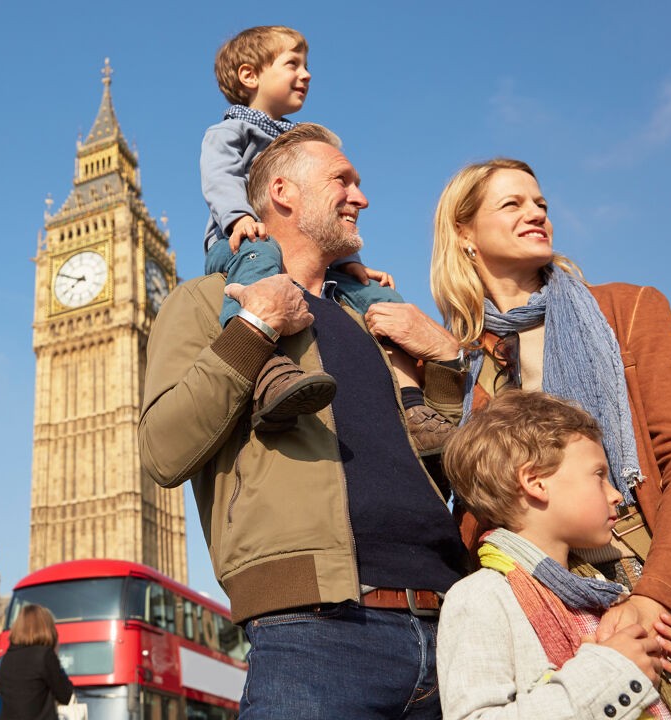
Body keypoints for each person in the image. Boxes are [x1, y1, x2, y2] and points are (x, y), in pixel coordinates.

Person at [367, 157, 671, 715]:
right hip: (541, 608)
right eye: (512, 204)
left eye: (539, 203)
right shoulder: (456, 358)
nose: (536, 213)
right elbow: (440, 496)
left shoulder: (628, 310)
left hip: (667, 580)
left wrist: (659, 600)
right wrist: (440, 361)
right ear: (464, 233)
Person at [141, 122, 468, 719]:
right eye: (342, 180)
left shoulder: (376, 321)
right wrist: (256, 329)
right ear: (284, 194)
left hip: (451, 629)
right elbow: (163, 450)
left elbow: (440, 468)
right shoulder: (207, 302)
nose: (361, 197)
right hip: (317, 633)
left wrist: (446, 364)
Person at [201, 26, 450, 449]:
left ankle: (413, 405)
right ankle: (267, 370)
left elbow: (312, 223)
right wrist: (238, 217)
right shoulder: (231, 133)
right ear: (249, 76)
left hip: (295, 246)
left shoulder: (301, 140)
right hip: (241, 243)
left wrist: (345, 262)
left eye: (306, 64)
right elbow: (220, 178)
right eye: (292, 64)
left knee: (379, 296)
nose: (307, 74)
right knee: (261, 257)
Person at [438, 390, 671, 719]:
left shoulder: (605, 595)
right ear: (535, 482)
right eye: (599, 475)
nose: (617, 494)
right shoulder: (480, 598)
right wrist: (612, 670)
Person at [0, 604, 73, 720]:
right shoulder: (45, 656)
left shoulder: (1, 662)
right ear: (45, 628)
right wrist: (55, 655)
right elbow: (65, 696)